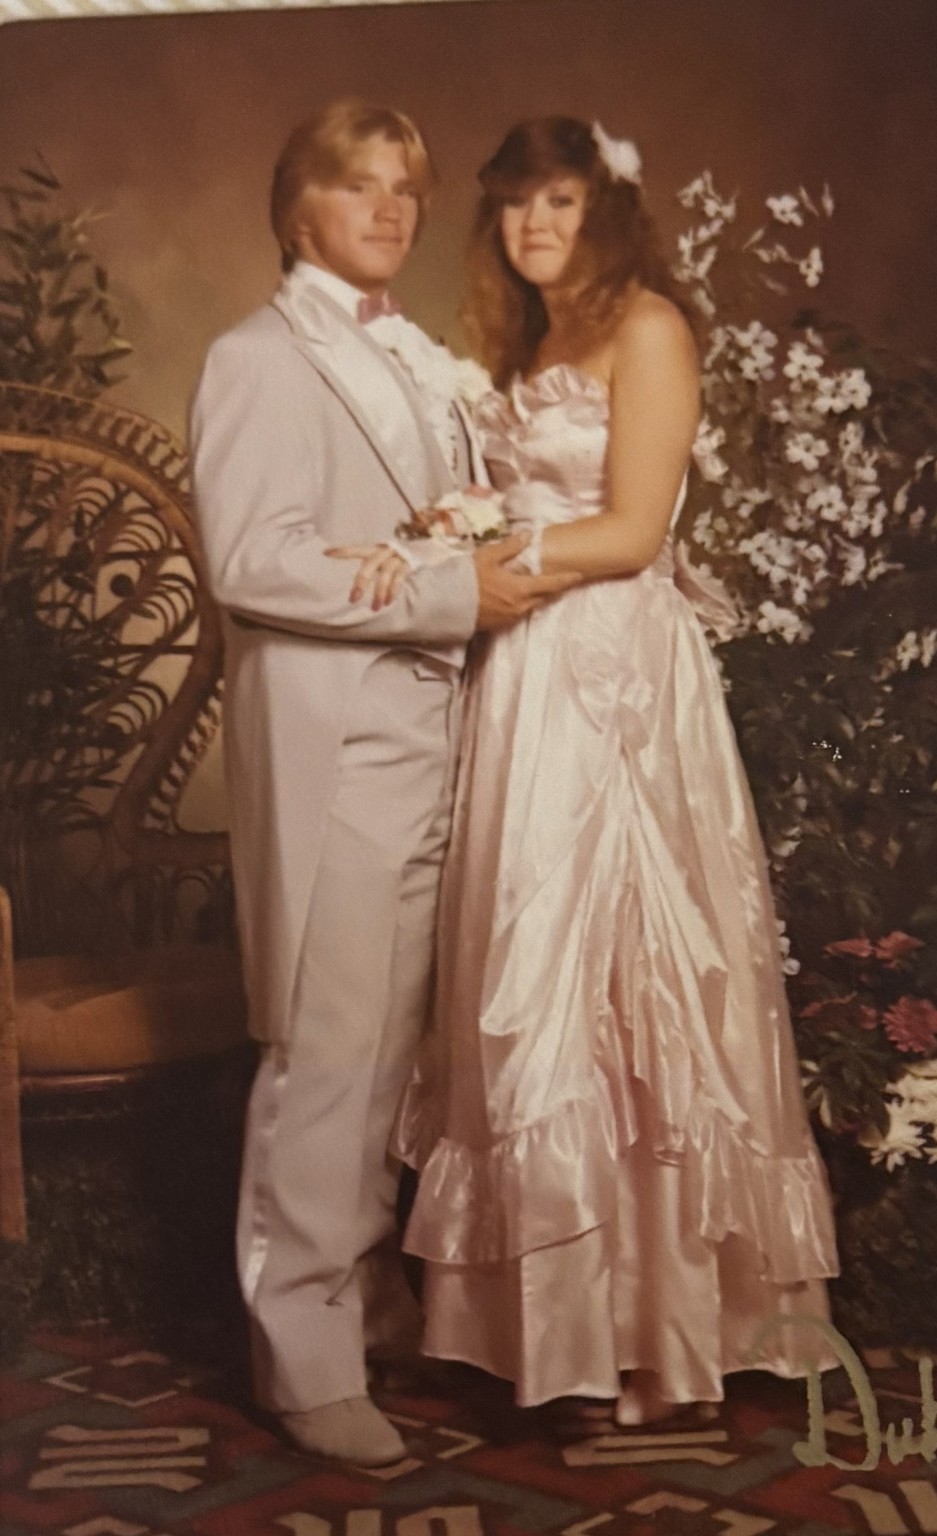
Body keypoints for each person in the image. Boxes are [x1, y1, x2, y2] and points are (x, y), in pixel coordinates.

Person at [392, 116, 840, 1424]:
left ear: (607, 210)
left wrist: (489, 554)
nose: (536, 225)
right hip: (522, 674)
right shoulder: (527, 345)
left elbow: (637, 531)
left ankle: (670, 1334)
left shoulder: (648, 329)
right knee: (528, 975)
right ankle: (555, 1334)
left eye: (562, 201)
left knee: (638, 974)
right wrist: (454, 541)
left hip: (614, 678)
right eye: (516, 203)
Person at [189, 99, 576, 1467]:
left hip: (440, 737)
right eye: (360, 186)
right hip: (341, 751)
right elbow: (254, 558)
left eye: (406, 187)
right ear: (298, 210)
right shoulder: (256, 357)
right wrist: (450, 589)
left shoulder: (414, 355)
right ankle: (300, 1356)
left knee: (395, 1058)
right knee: (329, 1053)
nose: (392, 210)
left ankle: (364, 1303)